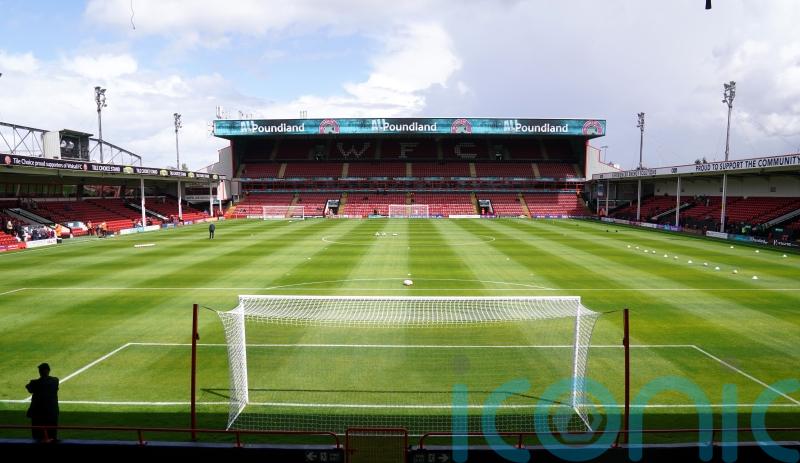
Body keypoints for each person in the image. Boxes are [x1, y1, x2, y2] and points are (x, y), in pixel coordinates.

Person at [25, 363, 59, 442]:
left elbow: (29, 388)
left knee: (37, 437)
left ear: (40, 372)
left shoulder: (35, 383)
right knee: (52, 436)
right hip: (52, 413)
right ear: (49, 371)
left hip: (38, 414)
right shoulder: (55, 381)